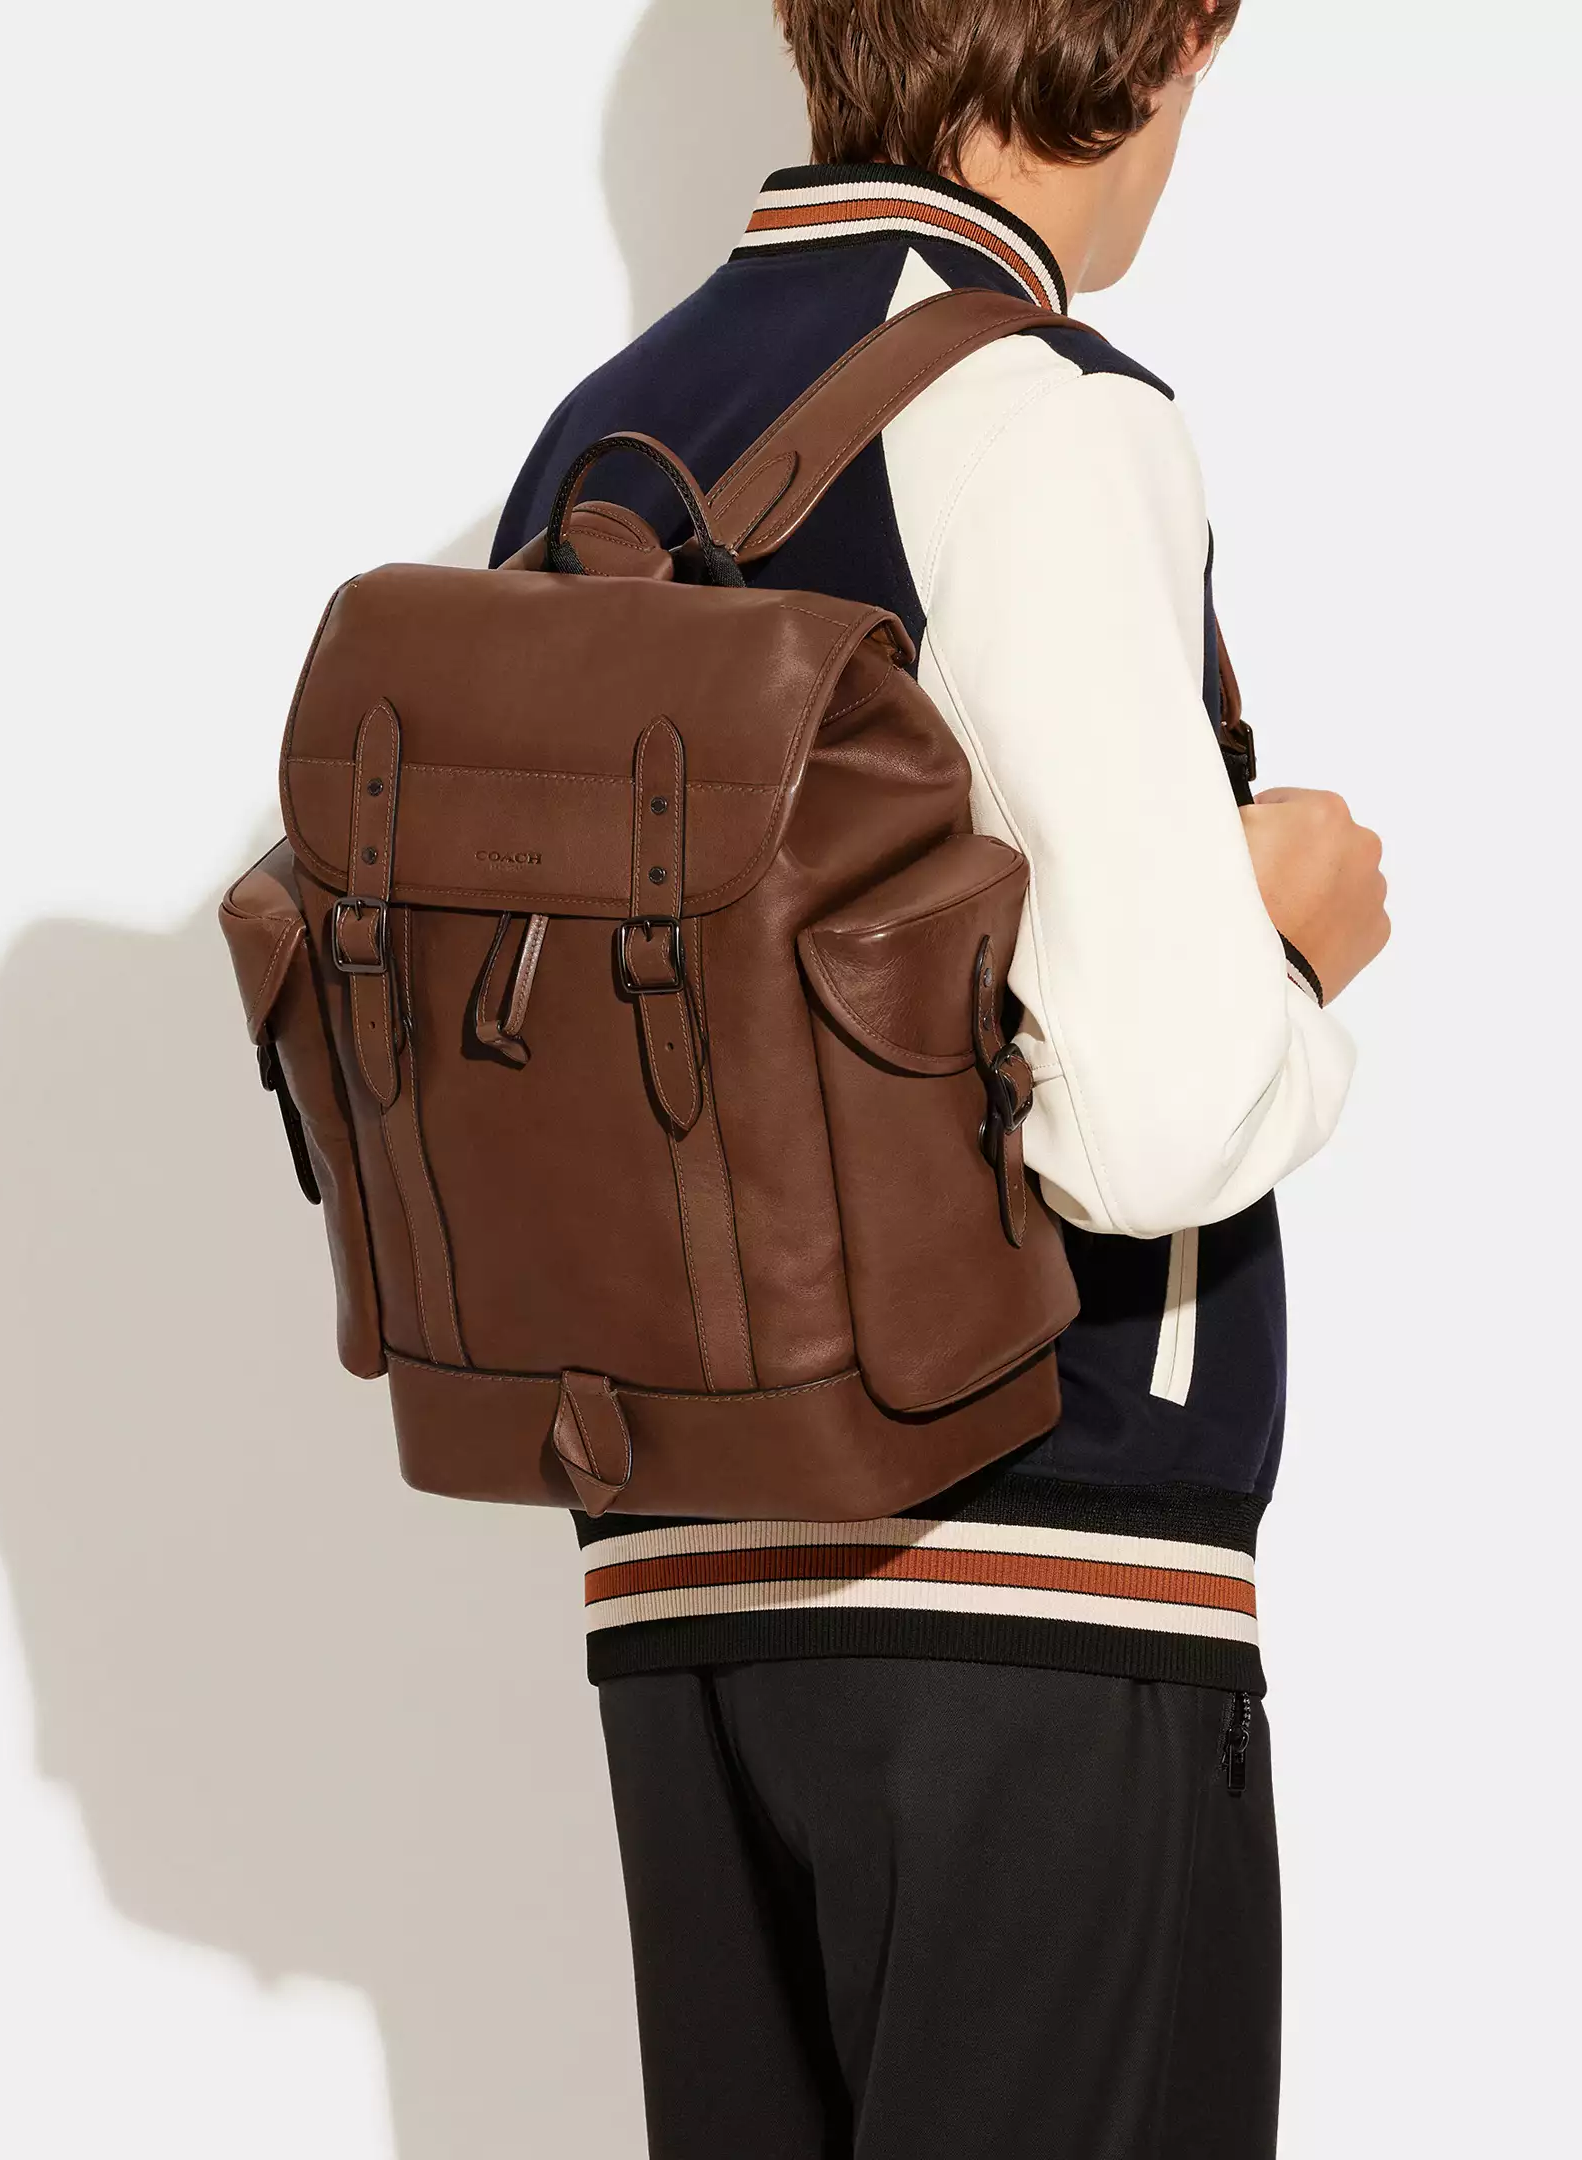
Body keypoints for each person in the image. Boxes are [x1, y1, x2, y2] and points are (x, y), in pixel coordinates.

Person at [492, 4, 1389, 2152]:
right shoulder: (1031, 410)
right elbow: (1151, 1114)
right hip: (1035, 1580)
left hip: (681, 1596)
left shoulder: (599, 444)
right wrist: (1290, 944)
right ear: (1155, 44)